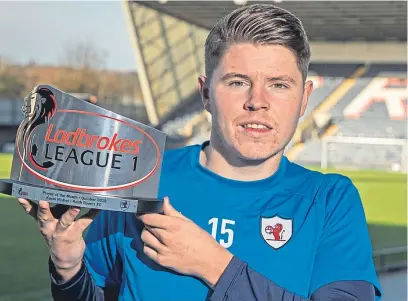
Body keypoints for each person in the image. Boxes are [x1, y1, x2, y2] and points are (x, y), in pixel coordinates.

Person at [18, 4, 382, 301]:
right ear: (206, 94)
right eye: (237, 82)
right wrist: (67, 269)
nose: (258, 102)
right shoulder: (140, 179)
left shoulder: (330, 200)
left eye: (279, 85)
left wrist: (213, 265)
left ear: (304, 98)